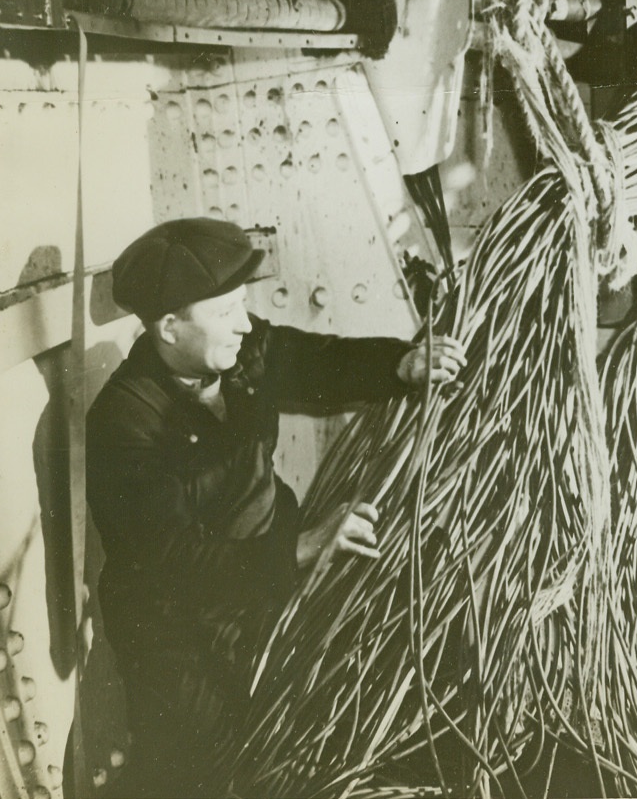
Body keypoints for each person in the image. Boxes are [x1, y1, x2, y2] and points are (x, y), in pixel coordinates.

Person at [86, 217, 465, 797]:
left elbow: (309, 358)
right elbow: (172, 562)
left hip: (267, 585)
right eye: (224, 312)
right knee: (202, 769)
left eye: (244, 305)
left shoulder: (237, 351)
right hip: (179, 632)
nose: (244, 323)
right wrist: (302, 549)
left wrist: (399, 364)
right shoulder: (123, 422)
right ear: (168, 328)